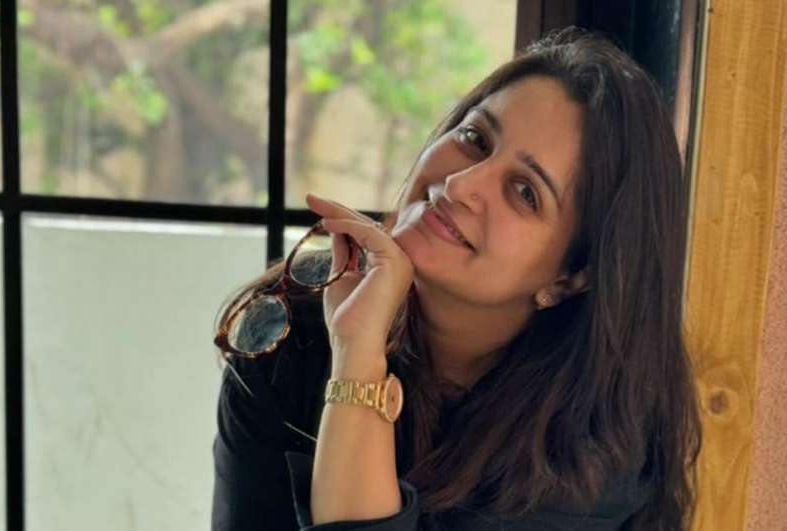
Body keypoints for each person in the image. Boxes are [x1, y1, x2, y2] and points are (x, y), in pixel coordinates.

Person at [210, 26, 703, 531]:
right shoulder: (294, 320)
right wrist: (352, 340)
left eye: (525, 192)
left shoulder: (593, 441)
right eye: (476, 139)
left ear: (571, 277)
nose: (460, 184)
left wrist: (357, 360)